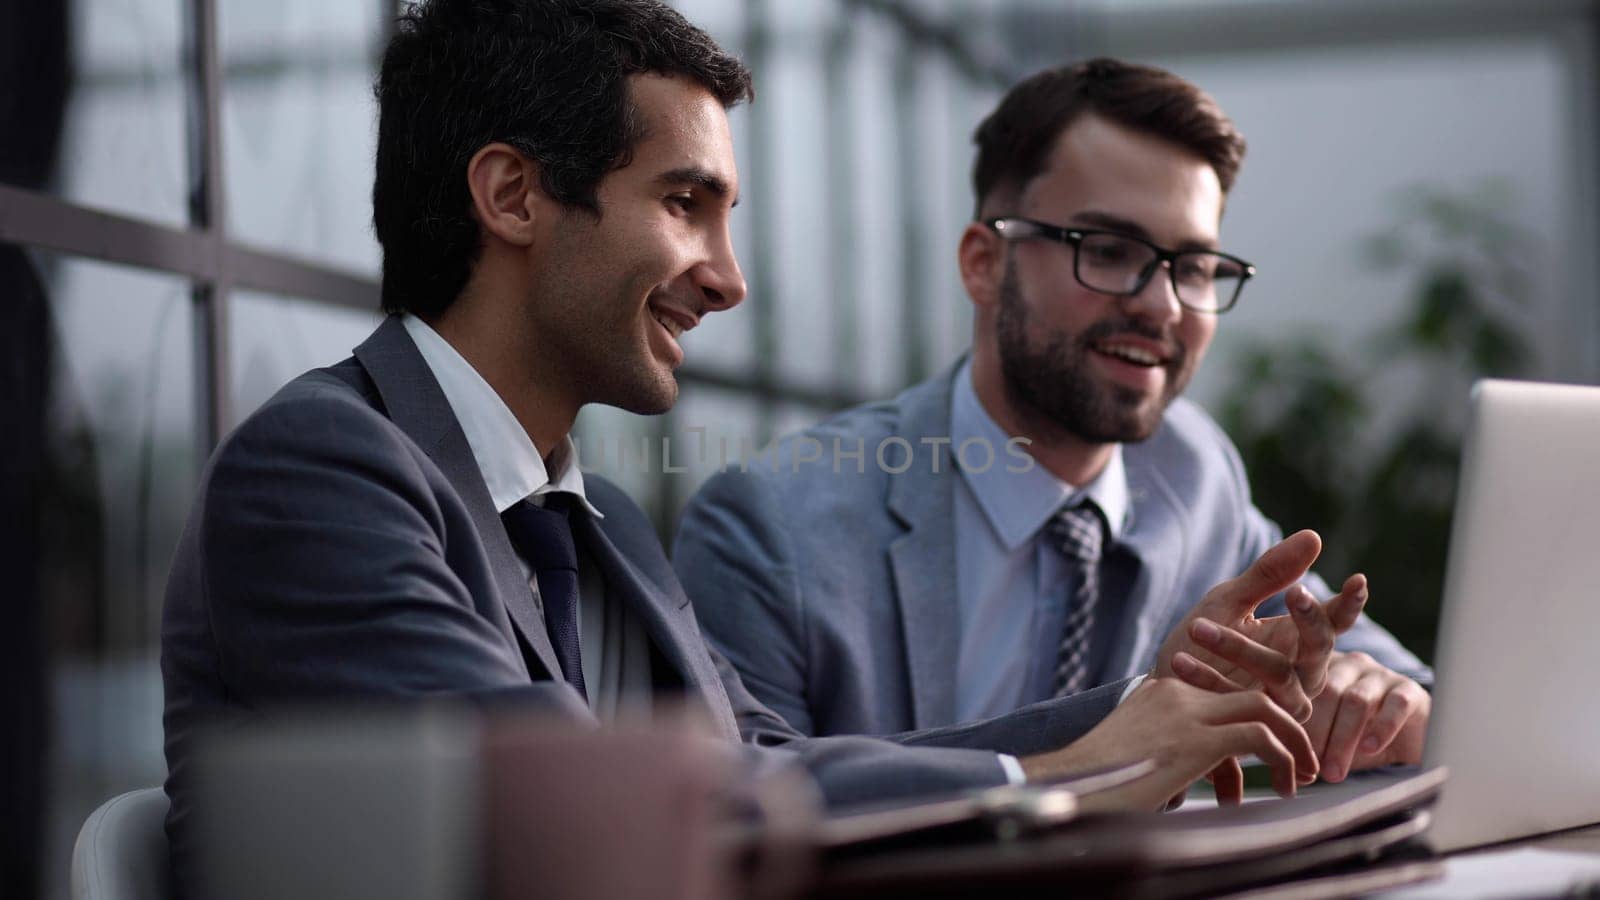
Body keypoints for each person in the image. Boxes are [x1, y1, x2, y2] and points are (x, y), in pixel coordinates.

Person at [161, 7, 1352, 891]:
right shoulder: (322, 470)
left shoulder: (602, 526)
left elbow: (782, 767)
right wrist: (1068, 773)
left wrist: (1139, 718)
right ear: (514, 197)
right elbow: (591, 829)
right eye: (686, 205)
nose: (728, 280)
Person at [673, 58, 1432, 787]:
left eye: (1195, 268)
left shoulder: (1196, 476)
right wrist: (1118, 731)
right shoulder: (773, 524)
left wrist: (1376, 694)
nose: (1162, 306)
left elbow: (1419, 695)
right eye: (1107, 250)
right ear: (984, 264)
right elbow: (742, 804)